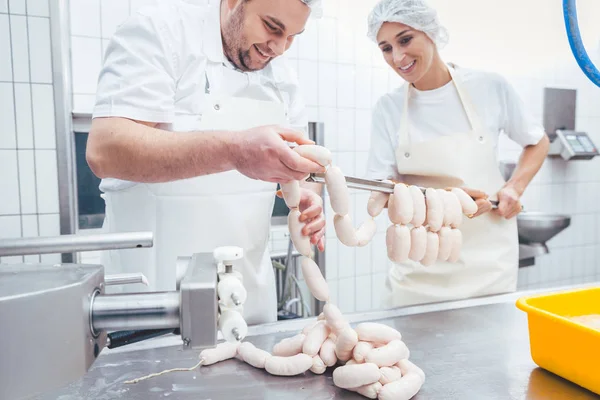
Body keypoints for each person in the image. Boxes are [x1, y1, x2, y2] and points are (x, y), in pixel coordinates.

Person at [86, 0, 326, 325]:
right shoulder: (161, 32)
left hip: (249, 310)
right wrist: (234, 151)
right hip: (153, 308)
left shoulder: (283, 78)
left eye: (293, 36)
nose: (280, 48)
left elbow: (297, 171)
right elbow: (105, 150)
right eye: (272, 27)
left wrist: (304, 196)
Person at [365, 0, 550, 308]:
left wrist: (514, 187)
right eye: (386, 48)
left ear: (431, 33)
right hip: (419, 270)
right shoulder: (389, 108)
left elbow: (537, 141)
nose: (397, 57)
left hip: (489, 267)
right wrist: (444, 200)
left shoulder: (489, 87)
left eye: (405, 39)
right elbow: (380, 190)